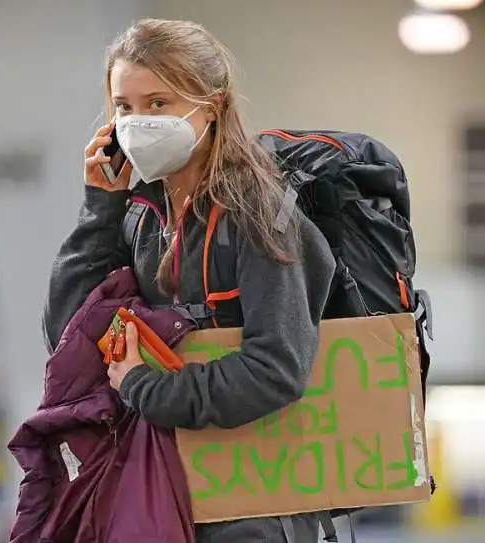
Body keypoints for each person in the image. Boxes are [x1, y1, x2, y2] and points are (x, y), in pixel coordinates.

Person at [42, 18, 336, 543]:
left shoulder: (259, 213)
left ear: (212, 104)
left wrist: (144, 387)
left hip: (252, 511)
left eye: (159, 104)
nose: (138, 123)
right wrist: (100, 208)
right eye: (124, 107)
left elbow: (277, 369)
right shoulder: (140, 215)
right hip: (167, 495)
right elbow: (68, 335)